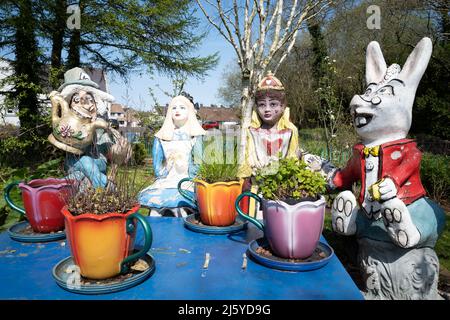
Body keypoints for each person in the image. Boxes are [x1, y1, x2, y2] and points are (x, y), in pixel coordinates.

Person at [49, 67, 131, 189]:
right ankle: (107, 187)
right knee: (85, 163)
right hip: (75, 164)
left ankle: (58, 190)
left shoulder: (104, 133)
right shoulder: (68, 126)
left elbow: (117, 156)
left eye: (89, 100)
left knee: (79, 177)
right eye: (77, 100)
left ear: (96, 104)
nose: (85, 105)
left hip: (95, 176)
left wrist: (119, 154)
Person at [138, 95, 206, 217]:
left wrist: (193, 176)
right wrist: (161, 173)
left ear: (190, 111)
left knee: (184, 204)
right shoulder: (161, 137)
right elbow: (157, 162)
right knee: (156, 207)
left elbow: (198, 161)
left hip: (186, 179)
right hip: (167, 178)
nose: (177, 110)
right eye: (174, 108)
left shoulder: (195, 136)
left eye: (182, 107)